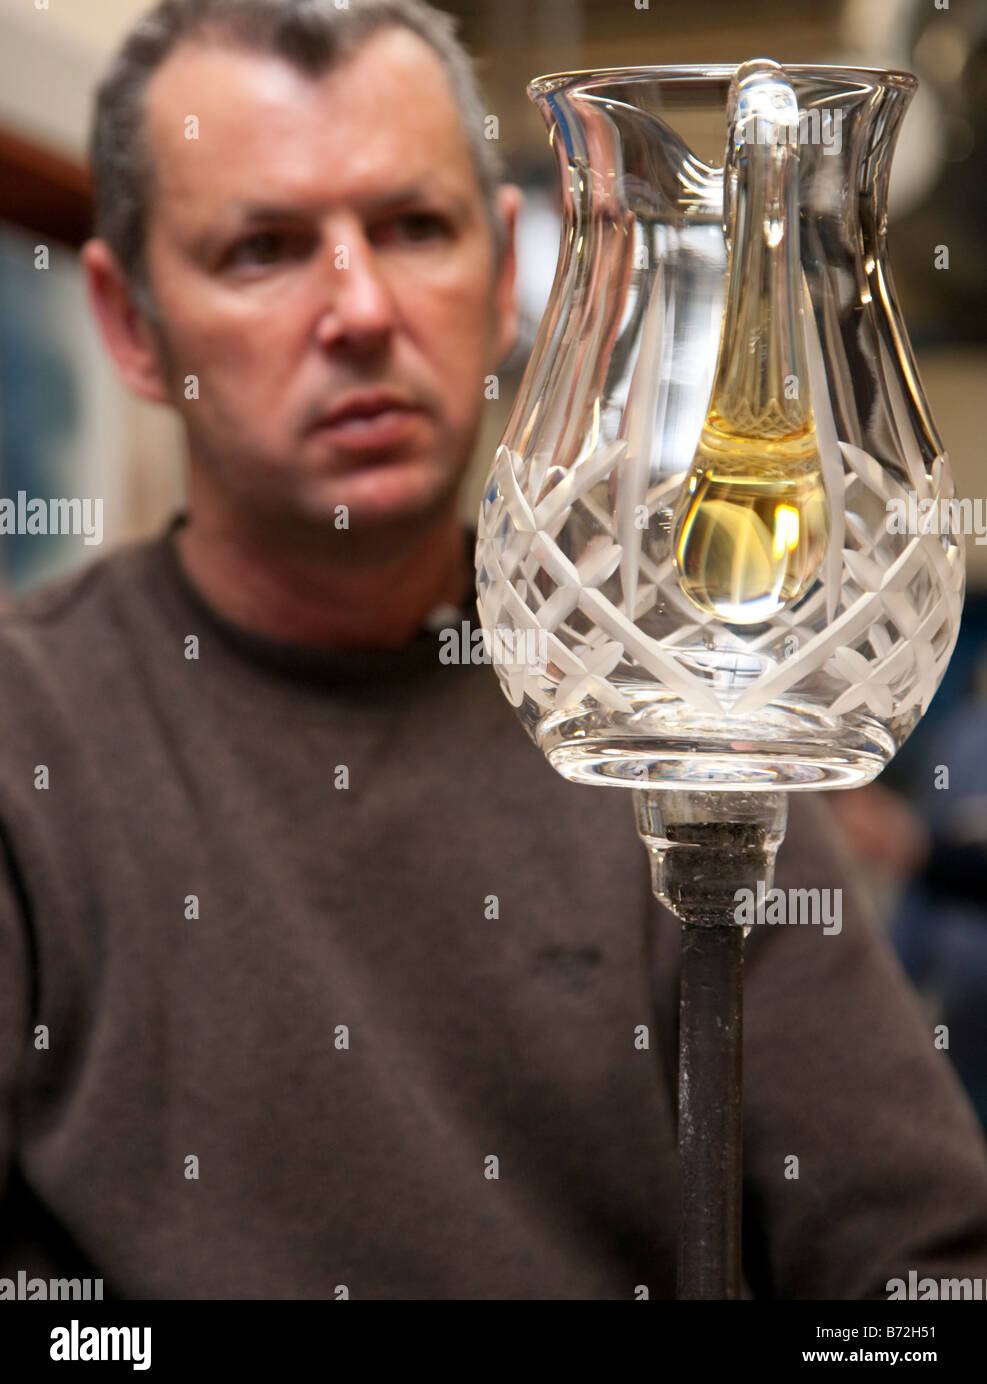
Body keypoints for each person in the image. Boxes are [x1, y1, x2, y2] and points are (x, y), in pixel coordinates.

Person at [1, 0, 986, 1301]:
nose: (360, 307)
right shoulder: (30, 729)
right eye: (264, 247)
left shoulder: (673, 698)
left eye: (414, 227)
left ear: (506, 266)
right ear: (131, 327)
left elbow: (917, 1266)